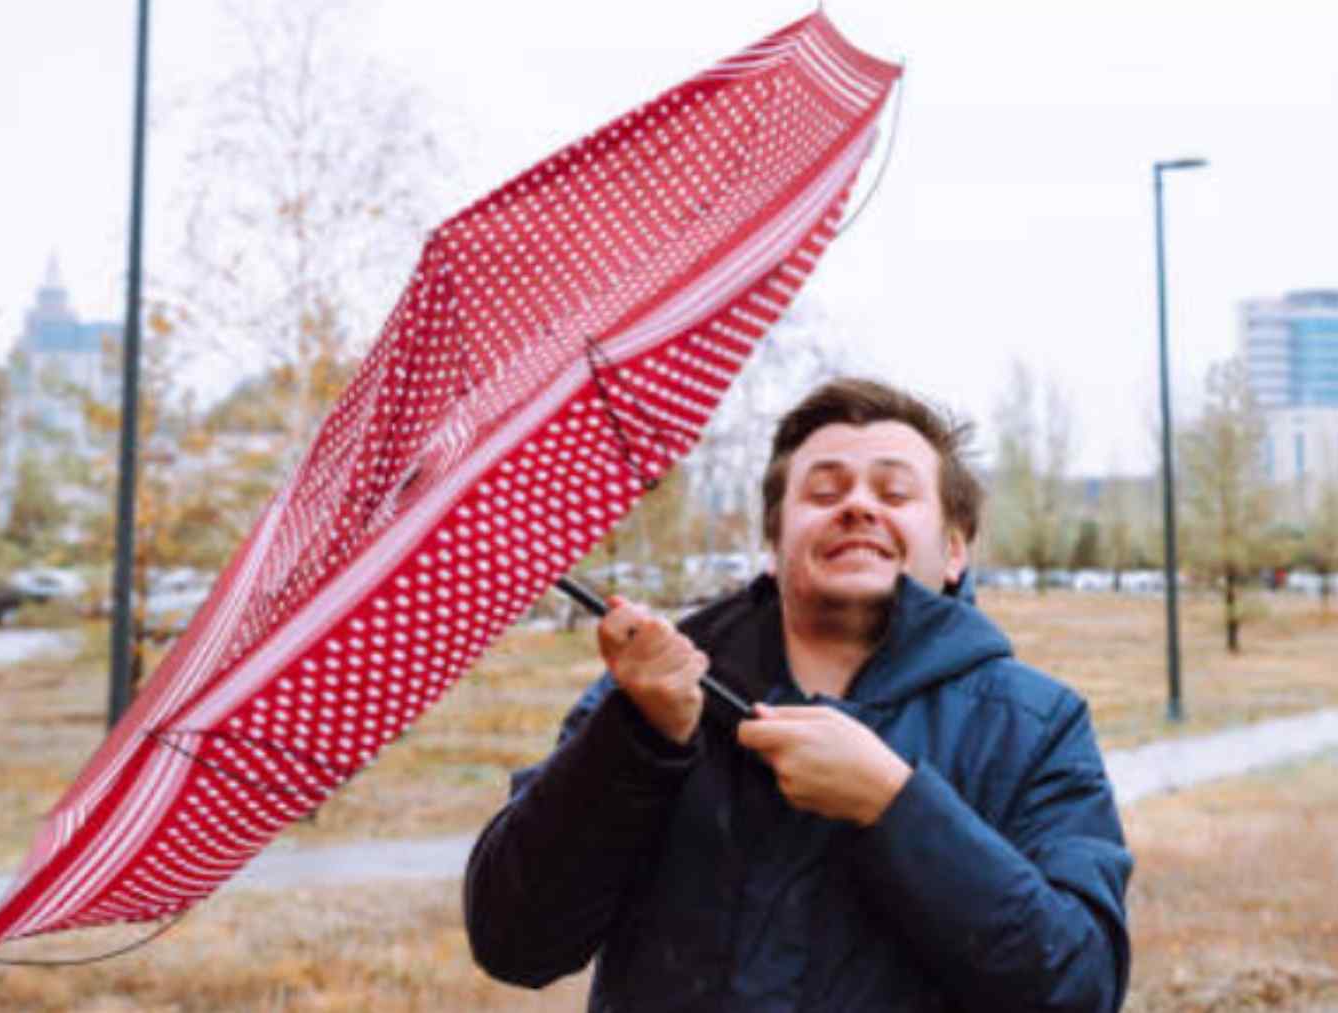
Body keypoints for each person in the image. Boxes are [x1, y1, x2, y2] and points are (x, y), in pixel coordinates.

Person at [464, 377, 1133, 1011]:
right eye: (824, 490)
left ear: (954, 550)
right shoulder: (651, 695)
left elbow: (1078, 985)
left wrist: (894, 804)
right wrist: (638, 741)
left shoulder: (1034, 725)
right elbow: (513, 941)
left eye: (895, 492)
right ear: (775, 540)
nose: (858, 505)